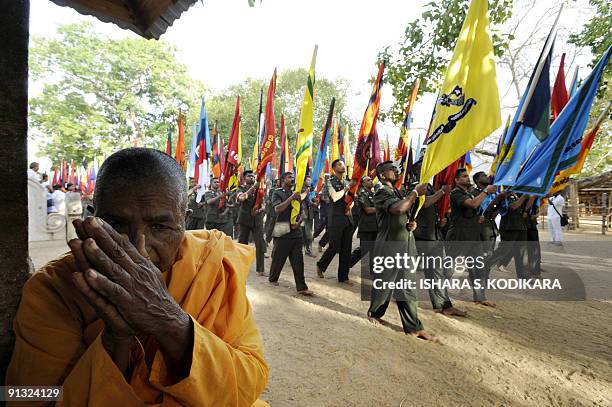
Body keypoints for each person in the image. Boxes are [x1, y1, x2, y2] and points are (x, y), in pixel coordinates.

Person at [7, 148, 269, 406]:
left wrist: (167, 319)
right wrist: (116, 340)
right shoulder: (54, 288)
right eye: (117, 225)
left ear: (184, 222)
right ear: (92, 218)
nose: (136, 247)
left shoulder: (211, 265)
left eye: (160, 227)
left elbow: (248, 383)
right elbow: (26, 397)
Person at [367, 161, 435, 341]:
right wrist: (414, 192)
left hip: (405, 244)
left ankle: (413, 327)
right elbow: (398, 209)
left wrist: (412, 224)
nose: (396, 171)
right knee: (385, 284)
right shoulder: (381, 191)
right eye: (392, 169)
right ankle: (374, 313)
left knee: (407, 286)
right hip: (390, 245)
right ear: (382, 176)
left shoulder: (397, 192)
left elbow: (407, 211)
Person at [413, 181, 467, 317]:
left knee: (436, 273)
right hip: (422, 236)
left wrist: (440, 221)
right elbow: (423, 203)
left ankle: (443, 305)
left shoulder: (431, 186)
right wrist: (442, 191)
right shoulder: (416, 185)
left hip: (433, 235)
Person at [446, 168, 497, 306]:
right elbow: (472, 204)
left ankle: (480, 297)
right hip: (459, 237)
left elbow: (471, 210)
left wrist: (477, 218)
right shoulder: (456, 193)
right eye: (463, 176)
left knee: (479, 268)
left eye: (467, 176)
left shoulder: (467, 192)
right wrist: (486, 191)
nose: (467, 178)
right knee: (449, 269)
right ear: (456, 180)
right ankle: (440, 298)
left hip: (473, 237)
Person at [268, 171, 313, 295]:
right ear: (283, 180)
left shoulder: (296, 193)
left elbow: (302, 213)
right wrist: (291, 198)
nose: (292, 179)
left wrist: (298, 223)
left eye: (293, 177)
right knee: (278, 257)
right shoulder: (277, 192)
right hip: (281, 227)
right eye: (289, 177)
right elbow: (278, 209)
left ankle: (302, 287)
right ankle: (273, 278)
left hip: (296, 230)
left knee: (298, 260)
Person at [316, 160, 356, 283]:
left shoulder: (347, 181)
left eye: (343, 164)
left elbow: (353, 198)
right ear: (333, 168)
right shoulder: (329, 182)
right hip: (336, 218)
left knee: (346, 249)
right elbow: (335, 197)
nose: (342, 166)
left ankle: (343, 277)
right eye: (339, 164)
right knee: (334, 246)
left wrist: (351, 206)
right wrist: (348, 187)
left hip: (348, 218)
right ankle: (321, 265)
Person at [484, 192, 531, 279]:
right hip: (509, 226)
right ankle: (485, 266)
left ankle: (524, 275)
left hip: (520, 225)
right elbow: (512, 207)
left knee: (522, 251)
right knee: (503, 250)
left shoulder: (516, 194)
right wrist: (524, 197)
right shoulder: (505, 195)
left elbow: (526, 209)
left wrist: (532, 197)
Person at [237, 170, 266, 276]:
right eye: (249, 176)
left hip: (257, 221)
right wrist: (254, 187)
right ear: (244, 178)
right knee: (242, 244)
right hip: (245, 220)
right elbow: (241, 198)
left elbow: (263, 204)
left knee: (260, 244)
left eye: (253, 176)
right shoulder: (240, 189)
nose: (252, 178)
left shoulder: (260, 190)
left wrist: (259, 210)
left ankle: (261, 269)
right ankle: (240, 266)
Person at [349, 176, 377, 268]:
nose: (371, 181)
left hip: (375, 226)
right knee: (363, 250)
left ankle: (374, 272)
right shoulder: (362, 194)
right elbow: (368, 210)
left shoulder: (373, 194)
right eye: (368, 180)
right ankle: (347, 264)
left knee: (374, 251)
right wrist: (381, 209)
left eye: (371, 179)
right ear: (363, 183)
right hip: (366, 227)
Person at [472, 171, 500, 257]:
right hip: (480, 229)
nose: (487, 177)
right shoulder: (474, 193)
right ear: (477, 180)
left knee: (489, 254)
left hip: (491, 227)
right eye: (484, 176)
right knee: (483, 255)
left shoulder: (493, 194)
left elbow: (493, 210)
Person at [524, 196, 542, 276]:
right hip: (524, 222)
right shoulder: (526, 193)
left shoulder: (537, 195)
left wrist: (537, 213)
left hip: (532, 223)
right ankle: (527, 272)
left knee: (535, 247)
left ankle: (535, 271)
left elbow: (537, 208)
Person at [301, 175, 317, 257]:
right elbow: (305, 200)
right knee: (308, 233)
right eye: (307, 180)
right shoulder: (303, 189)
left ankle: (307, 249)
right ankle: (308, 250)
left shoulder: (307, 189)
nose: (309, 182)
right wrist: (313, 203)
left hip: (308, 213)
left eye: (310, 180)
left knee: (307, 232)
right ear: (304, 181)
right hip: (304, 213)